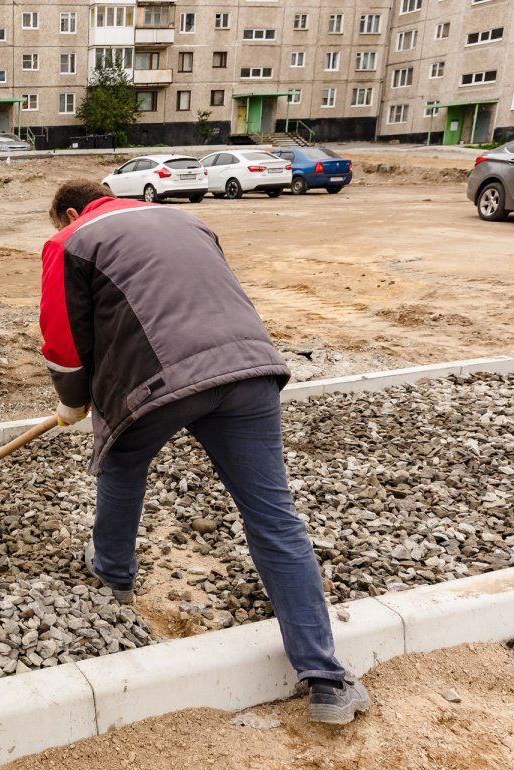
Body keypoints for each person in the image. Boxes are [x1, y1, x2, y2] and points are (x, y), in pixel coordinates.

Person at [39, 180, 370, 725]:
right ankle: (326, 680)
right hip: (249, 368)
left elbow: (64, 339)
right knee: (273, 515)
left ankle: (114, 575)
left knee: (122, 463)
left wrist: (74, 400)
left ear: (71, 212)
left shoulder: (69, 240)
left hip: (159, 381)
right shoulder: (187, 220)